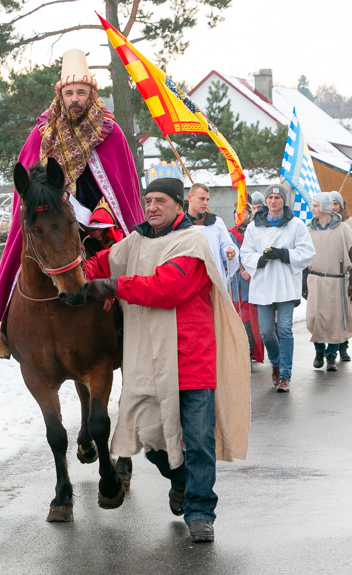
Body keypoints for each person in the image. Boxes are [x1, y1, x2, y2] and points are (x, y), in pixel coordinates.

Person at [82, 177, 250, 543]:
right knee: (153, 439)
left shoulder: (192, 242)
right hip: (150, 363)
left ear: (179, 205)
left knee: (199, 441)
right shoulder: (137, 241)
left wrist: (114, 286)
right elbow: (100, 262)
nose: (152, 207)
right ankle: (181, 481)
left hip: (191, 361)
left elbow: (167, 288)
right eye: (148, 200)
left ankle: (201, 512)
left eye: (161, 200)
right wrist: (68, 271)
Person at [0, 49, 145, 357]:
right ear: (61, 95)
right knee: (27, 260)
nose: (75, 98)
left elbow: (121, 191)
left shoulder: (111, 132)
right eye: (69, 93)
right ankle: (8, 330)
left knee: (122, 264)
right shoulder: (42, 134)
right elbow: (24, 186)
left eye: (81, 92)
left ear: (91, 94)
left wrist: (99, 217)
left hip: (98, 223)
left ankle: (132, 330)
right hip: (52, 218)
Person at [241, 183, 316, 392]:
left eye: (278, 197)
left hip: (285, 284)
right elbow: (245, 253)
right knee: (266, 331)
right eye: (270, 197)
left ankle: (285, 375)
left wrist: (284, 254)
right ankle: (275, 362)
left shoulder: (296, 225)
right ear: (266, 201)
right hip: (264, 284)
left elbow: (307, 251)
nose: (273, 201)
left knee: (284, 328)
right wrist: (261, 259)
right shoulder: (254, 226)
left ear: (284, 201)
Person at [304, 192, 352, 372]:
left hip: (337, 281)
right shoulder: (309, 230)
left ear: (325, 207)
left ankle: (332, 355)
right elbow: (304, 258)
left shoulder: (343, 229)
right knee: (315, 319)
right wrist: (304, 282)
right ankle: (319, 351)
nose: (312, 209)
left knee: (335, 320)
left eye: (316, 206)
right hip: (315, 280)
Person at [330, 191, 352, 362]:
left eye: (336, 204)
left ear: (342, 205)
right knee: (331, 313)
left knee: (345, 313)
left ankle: (343, 346)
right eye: (330, 204)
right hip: (330, 275)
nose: (333, 207)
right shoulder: (323, 224)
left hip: (348, 274)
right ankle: (330, 348)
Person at [228, 203, 264, 363]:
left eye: (243, 212)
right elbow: (227, 256)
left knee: (251, 318)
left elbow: (260, 252)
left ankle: (250, 351)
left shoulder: (256, 232)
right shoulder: (228, 234)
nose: (240, 215)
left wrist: (251, 268)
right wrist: (237, 269)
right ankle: (240, 351)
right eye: (237, 212)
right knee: (238, 318)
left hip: (253, 281)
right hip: (236, 283)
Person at [185, 183, 239, 282]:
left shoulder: (216, 223)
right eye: (201, 199)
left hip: (213, 280)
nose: (205, 203)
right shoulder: (180, 224)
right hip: (189, 279)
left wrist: (230, 251)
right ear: (190, 198)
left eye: (207, 199)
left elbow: (226, 245)